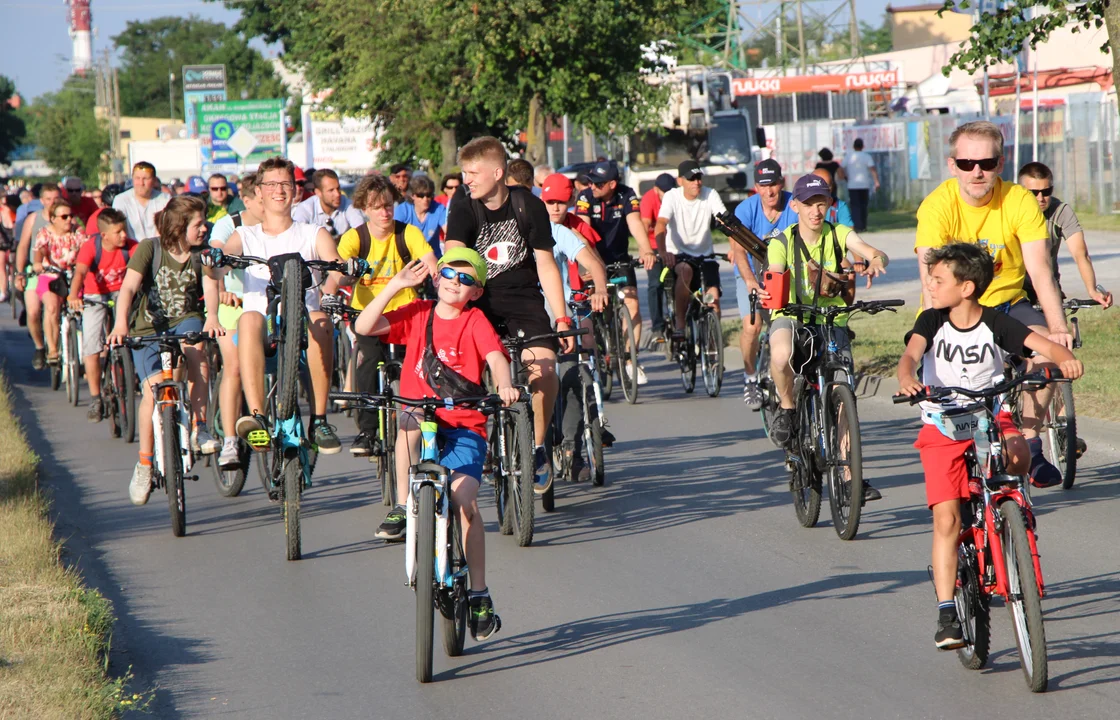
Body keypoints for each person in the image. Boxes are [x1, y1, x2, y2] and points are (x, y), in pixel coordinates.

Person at [896, 242, 1082, 649]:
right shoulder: (931, 320)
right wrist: (907, 377)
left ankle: (1012, 509)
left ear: (966, 288)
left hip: (987, 415)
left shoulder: (996, 323)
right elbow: (910, 356)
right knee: (946, 519)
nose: (931, 283)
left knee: (1018, 455)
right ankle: (947, 611)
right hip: (942, 423)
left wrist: (1063, 357)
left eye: (939, 279)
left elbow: (1041, 345)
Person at [354, 248, 515, 640]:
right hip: (421, 418)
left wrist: (505, 384)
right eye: (448, 273)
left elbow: (495, 357)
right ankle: (403, 505)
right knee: (405, 419)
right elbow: (364, 327)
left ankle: (479, 593)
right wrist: (395, 285)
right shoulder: (419, 312)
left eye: (465, 280)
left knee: (464, 503)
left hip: (464, 425)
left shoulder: (474, 320)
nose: (454, 283)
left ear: (476, 292)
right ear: (436, 275)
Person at [916, 120, 1073, 488]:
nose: (977, 172)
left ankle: (1032, 444)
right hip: (958, 313)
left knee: (1048, 355)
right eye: (967, 163)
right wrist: (930, 344)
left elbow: (1040, 271)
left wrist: (1059, 328)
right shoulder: (937, 206)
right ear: (952, 164)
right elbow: (932, 284)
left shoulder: (1018, 199)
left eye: (986, 163)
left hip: (1008, 305)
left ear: (999, 164)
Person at [444, 136, 574, 493]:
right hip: (477, 304)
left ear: (498, 173)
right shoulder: (463, 206)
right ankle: (476, 439)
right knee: (467, 376)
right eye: (464, 172)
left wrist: (561, 318)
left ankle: (538, 447)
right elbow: (454, 253)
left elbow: (546, 265)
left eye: (473, 172)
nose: (466, 179)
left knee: (545, 370)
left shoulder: (527, 205)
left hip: (524, 303)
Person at [209, 157, 350, 456]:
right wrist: (215, 258)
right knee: (248, 318)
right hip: (263, 330)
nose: (279, 190)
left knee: (321, 319)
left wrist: (347, 268)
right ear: (259, 192)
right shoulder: (246, 235)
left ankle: (320, 420)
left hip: (304, 327)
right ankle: (258, 417)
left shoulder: (313, 233)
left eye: (285, 183)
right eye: (271, 184)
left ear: (296, 191)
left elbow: (335, 265)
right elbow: (223, 256)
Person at [766, 174, 890, 501]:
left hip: (831, 320)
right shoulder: (782, 240)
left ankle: (850, 477)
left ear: (829, 204)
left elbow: (868, 249)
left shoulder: (838, 234)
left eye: (821, 203)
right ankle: (789, 406)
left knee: (843, 390)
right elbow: (775, 269)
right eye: (808, 204)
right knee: (780, 355)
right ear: (795, 206)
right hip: (791, 316)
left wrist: (876, 258)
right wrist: (777, 281)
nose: (815, 210)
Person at [106, 195, 222, 505]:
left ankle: (200, 427)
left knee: (197, 349)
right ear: (180, 226)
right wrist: (120, 325)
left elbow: (210, 288)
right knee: (152, 392)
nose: (205, 228)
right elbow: (128, 288)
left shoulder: (203, 254)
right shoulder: (150, 248)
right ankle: (145, 464)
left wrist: (212, 317)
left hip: (187, 319)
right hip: (148, 328)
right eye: (199, 223)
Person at [338, 174, 437, 460]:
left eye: (388, 205)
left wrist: (439, 278)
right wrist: (345, 275)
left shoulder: (408, 234)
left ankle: (429, 421)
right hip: (368, 314)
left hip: (405, 314)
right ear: (364, 209)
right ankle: (368, 431)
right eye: (377, 207)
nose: (384, 212)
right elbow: (339, 273)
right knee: (367, 362)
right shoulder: (356, 237)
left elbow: (430, 261)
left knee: (419, 365)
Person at [541, 174, 611, 482]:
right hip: (528, 320)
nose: (554, 207)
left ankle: (573, 450)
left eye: (559, 202)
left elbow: (594, 264)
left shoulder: (561, 232)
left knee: (571, 376)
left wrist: (599, 288)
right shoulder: (519, 233)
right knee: (529, 382)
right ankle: (524, 446)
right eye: (548, 202)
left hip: (563, 315)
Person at [574, 160, 657, 383]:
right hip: (592, 259)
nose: (592, 186)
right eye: (591, 182)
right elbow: (582, 231)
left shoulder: (627, 195)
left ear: (612, 183)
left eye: (598, 183)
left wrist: (647, 250)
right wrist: (590, 264)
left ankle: (630, 360)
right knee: (594, 307)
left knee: (632, 304)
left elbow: (635, 224)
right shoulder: (585, 197)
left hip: (619, 260)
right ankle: (596, 356)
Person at [207, 172, 263, 469]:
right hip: (234, 304)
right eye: (260, 199)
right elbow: (216, 258)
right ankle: (229, 441)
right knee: (236, 366)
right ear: (248, 198)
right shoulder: (230, 224)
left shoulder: (277, 224)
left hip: (267, 304)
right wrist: (223, 289)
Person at [732, 159, 797, 408]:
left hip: (785, 272)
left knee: (791, 323)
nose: (769, 191)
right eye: (763, 185)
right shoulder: (746, 210)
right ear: (756, 187)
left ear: (781, 183)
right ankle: (750, 377)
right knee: (752, 325)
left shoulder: (794, 204)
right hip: (751, 273)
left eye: (773, 184)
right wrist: (749, 280)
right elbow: (738, 251)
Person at [67, 208, 139, 422]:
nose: (124, 235)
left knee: (132, 332)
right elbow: (80, 273)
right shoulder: (91, 246)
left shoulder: (131, 247)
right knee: (91, 345)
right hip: (94, 295)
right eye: (118, 232)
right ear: (104, 235)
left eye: (124, 230)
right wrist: (73, 295)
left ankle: (129, 372)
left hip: (121, 294)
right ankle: (96, 397)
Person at [1017, 162, 1113, 308]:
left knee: (1059, 329)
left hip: (1048, 286)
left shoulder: (1061, 212)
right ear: (1021, 192)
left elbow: (1080, 254)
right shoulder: (1010, 211)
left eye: (1047, 191)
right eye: (1033, 193)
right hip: (1015, 287)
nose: (1041, 198)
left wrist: (1092, 290)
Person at [654, 161, 727, 336]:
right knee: (685, 271)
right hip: (679, 255)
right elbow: (661, 224)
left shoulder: (710, 195)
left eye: (699, 178)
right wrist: (664, 252)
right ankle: (680, 323)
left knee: (713, 299)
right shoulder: (672, 196)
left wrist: (733, 248)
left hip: (705, 255)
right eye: (691, 178)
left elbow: (726, 222)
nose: (696, 182)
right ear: (680, 181)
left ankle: (713, 345)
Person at [32, 198, 86, 366]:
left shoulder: (78, 232)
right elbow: (39, 256)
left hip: (74, 275)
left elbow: (86, 250)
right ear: (53, 218)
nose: (69, 220)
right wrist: (39, 265)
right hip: (52, 276)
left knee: (86, 307)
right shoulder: (45, 234)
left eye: (71, 216)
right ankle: (53, 349)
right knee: (52, 307)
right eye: (64, 217)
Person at [14, 184, 62, 365]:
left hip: (60, 271)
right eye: (48, 199)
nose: (52, 203)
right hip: (37, 270)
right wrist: (20, 273)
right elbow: (23, 246)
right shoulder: (34, 219)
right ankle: (40, 347)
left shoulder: (66, 217)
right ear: (41, 201)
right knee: (33, 311)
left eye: (56, 199)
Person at [639, 173, 677, 343]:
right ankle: (657, 328)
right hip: (654, 245)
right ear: (656, 189)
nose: (667, 194)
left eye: (670, 190)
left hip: (674, 245)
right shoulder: (648, 199)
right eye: (664, 192)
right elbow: (645, 226)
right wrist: (644, 250)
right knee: (655, 284)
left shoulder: (676, 197)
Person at [290, 168, 366, 240]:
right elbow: (297, 237)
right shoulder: (305, 208)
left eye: (338, 188)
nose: (337, 194)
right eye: (331, 190)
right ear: (318, 192)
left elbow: (361, 233)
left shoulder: (349, 205)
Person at [112, 162, 171, 241]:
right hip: (132, 249)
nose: (141, 183)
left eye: (145, 179)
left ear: (154, 180)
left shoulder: (165, 199)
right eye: (137, 178)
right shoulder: (121, 200)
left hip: (158, 247)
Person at [394, 174, 448, 256]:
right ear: (412, 196)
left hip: (433, 258)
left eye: (429, 195)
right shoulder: (402, 210)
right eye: (421, 195)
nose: (425, 199)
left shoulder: (439, 209)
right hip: (408, 259)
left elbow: (449, 232)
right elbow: (394, 235)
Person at [843, 138, 879, 232]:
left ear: (853, 146)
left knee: (855, 206)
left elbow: (841, 168)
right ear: (863, 146)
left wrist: (845, 177)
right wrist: (876, 181)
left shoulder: (849, 156)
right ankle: (863, 225)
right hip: (864, 185)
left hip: (852, 185)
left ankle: (857, 226)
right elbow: (872, 169)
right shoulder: (866, 156)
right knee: (863, 205)